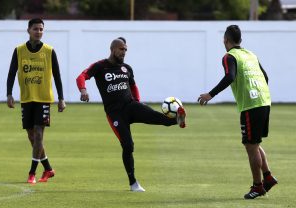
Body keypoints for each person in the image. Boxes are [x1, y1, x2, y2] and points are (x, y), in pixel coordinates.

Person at [76, 37, 186, 192]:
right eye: (121, 49)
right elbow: (81, 76)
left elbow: (133, 86)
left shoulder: (127, 68)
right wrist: (83, 90)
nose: (124, 52)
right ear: (113, 49)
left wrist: (138, 101)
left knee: (160, 118)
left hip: (131, 106)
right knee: (128, 145)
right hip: (115, 114)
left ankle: (179, 119)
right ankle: (133, 183)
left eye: (126, 50)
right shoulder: (100, 66)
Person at [197, 25, 277, 199]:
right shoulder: (251, 55)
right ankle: (268, 177)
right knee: (254, 143)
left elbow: (230, 76)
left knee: (250, 147)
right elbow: (266, 77)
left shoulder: (229, 56)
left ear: (225, 40)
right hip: (264, 100)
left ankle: (258, 186)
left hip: (251, 105)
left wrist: (210, 94)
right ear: (240, 40)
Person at [6, 18, 66, 184]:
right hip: (26, 98)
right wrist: (9, 94)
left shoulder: (49, 50)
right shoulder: (19, 50)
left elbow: (57, 75)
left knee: (39, 134)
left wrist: (61, 98)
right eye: (35, 29)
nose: (38, 32)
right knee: (32, 137)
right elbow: (11, 73)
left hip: (43, 99)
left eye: (41, 29)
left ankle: (32, 173)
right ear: (28, 30)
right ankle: (48, 168)